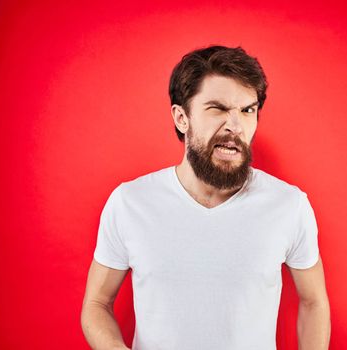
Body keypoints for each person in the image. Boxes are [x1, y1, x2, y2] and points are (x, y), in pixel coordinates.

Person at [80, 45, 331, 350]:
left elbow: (314, 301)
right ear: (181, 118)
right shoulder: (130, 203)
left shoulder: (289, 205)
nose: (236, 126)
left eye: (247, 110)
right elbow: (96, 303)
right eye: (218, 108)